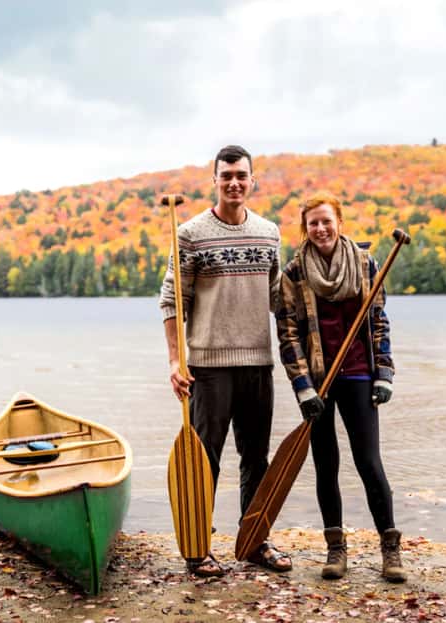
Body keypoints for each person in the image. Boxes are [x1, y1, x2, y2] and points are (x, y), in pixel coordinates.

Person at [159, 144, 292, 577]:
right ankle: (198, 547)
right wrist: (176, 362)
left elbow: (278, 299)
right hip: (209, 366)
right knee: (206, 458)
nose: (234, 183)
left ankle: (254, 540)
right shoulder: (191, 233)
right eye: (226, 176)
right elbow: (171, 301)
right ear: (214, 181)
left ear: (253, 181)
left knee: (256, 457)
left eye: (242, 176)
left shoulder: (269, 232)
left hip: (258, 361)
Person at [274, 190, 406, 583]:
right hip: (318, 384)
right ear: (305, 228)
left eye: (326, 221)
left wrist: (384, 374)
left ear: (340, 223)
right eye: (313, 223)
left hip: (360, 375)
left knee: (369, 462)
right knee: (326, 464)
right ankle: (336, 549)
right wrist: (303, 388)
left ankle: (391, 548)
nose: (320, 228)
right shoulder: (295, 274)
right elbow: (289, 335)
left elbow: (379, 322)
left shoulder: (367, 265)